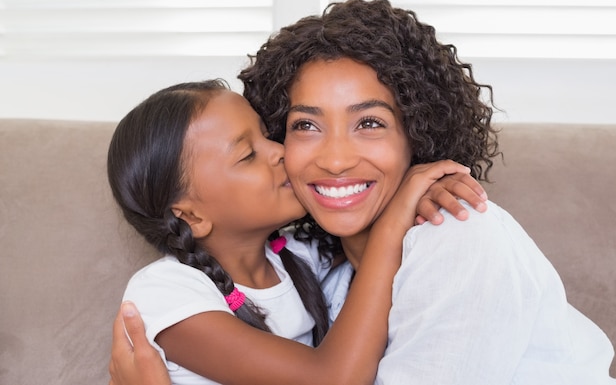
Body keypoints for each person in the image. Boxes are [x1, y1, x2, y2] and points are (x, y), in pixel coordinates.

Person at [110, 0, 616, 384]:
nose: (332, 159)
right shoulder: (327, 271)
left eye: (370, 123)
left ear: (417, 134)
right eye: (303, 126)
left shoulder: (458, 234)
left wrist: (398, 219)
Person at [107, 78, 475, 385]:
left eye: (267, 135)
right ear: (191, 215)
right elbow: (332, 379)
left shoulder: (296, 255)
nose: (280, 151)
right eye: (248, 154)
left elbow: (373, 231)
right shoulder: (166, 293)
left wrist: (420, 191)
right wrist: (394, 220)